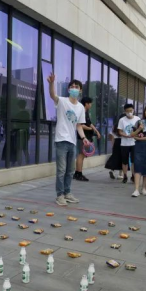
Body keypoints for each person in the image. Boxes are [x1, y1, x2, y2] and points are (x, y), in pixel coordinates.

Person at [48, 73, 88, 206]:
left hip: (72, 142)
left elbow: (79, 125)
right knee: (61, 170)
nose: (74, 89)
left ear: (80, 90)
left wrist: (84, 138)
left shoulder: (81, 107)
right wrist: (51, 83)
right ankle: (59, 195)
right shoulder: (62, 101)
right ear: (68, 89)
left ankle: (67, 193)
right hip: (61, 140)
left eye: (77, 87)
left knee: (70, 170)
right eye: (72, 87)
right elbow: (52, 95)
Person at [75, 97, 101, 181]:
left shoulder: (86, 112)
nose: (91, 105)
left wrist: (96, 131)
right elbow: (80, 125)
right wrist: (90, 129)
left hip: (86, 137)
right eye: (90, 103)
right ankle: (78, 173)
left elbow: (90, 123)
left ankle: (77, 173)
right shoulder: (81, 111)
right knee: (81, 155)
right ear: (86, 103)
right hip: (82, 137)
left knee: (82, 155)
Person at [118, 103, 140, 184]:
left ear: (133, 110)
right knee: (125, 161)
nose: (129, 112)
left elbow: (140, 130)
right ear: (125, 111)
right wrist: (125, 135)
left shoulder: (137, 119)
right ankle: (125, 175)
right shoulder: (122, 120)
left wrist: (136, 135)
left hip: (134, 143)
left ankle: (133, 175)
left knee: (134, 161)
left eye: (131, 111)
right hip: (124, 143)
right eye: (127, 111)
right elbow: (120, 131)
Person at [105, 115, 124, 180]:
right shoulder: (124, 125)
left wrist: (113, 144)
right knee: (123, 158)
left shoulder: (115, 126)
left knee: (115, 157)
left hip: (116, 142)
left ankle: (112, 170)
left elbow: (111, 135)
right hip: (124, 142)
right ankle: (120, 174)